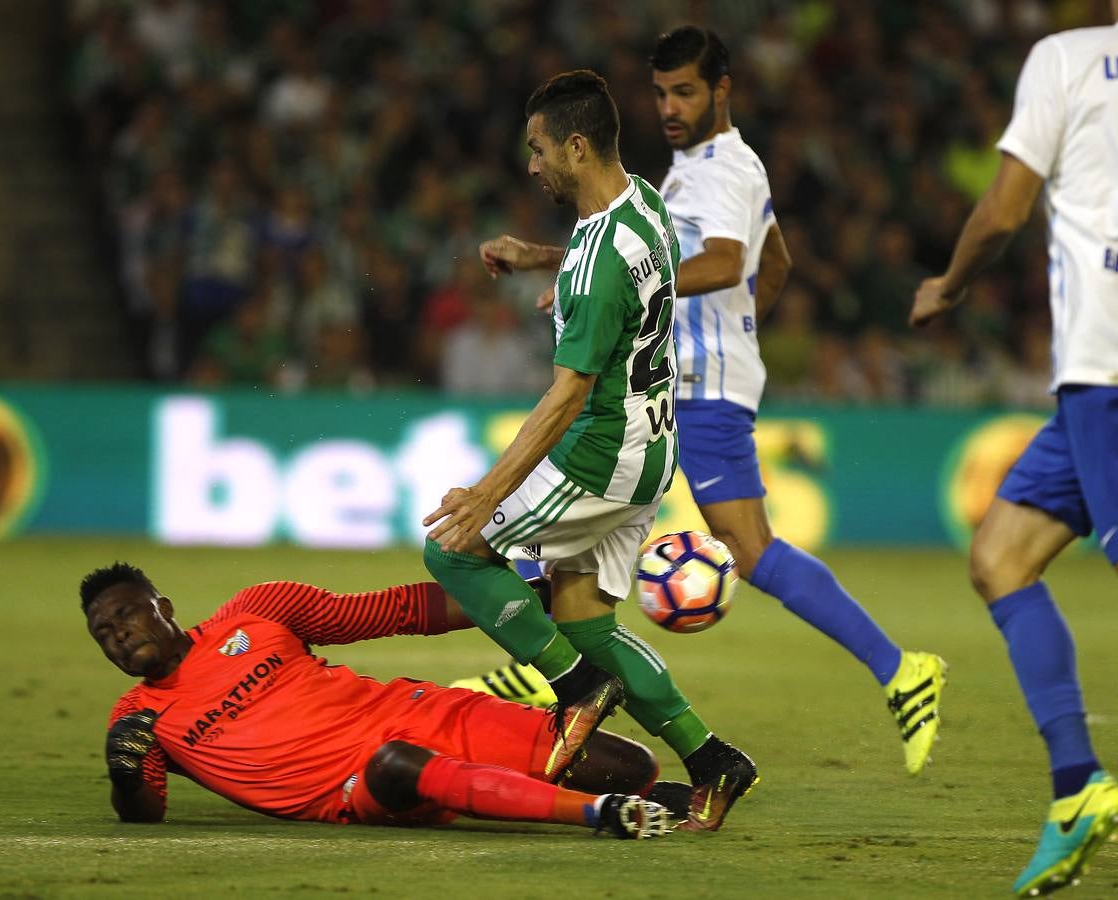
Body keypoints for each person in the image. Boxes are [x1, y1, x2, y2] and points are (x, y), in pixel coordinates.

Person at [468, 27, 947, 777]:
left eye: (685, 91)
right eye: (659, 92)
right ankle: (551, 661)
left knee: (745, 547)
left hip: (701, 385)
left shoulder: (722, 167)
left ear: (721, 91)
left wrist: (720, 339)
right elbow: (774, 258)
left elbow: (724, 262)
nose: (668, 106)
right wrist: (741, 329)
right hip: (693, 377)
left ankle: (900, 669)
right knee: (593, 517)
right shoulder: (704, 167)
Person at [421, 69, 757, 833]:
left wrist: (486, 492)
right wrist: (546, 261)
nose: (531, 164)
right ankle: (713, 763)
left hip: (602, 453)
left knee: (454, 550)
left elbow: (566, 393)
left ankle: (576, 693)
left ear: (576, 146)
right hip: (654, 444)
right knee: (584, 622)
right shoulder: (641, 203)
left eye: (538, 150)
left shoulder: (601, 258)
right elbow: (623, 269)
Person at [909, 8, 1118, 894]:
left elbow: (1004, 208)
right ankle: (1077, 788)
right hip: (1084, 383)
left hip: (1107, 361)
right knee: (999, 558)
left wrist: (949, 285)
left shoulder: (1064, 59)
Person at [81, 561, 685, 838]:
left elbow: (395, 611)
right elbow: (145, 813)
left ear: (162, 606)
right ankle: (598, 815)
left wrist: (534, 595)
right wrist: (125, 771)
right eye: (103, 633)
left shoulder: (257, 611)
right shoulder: (135, 720)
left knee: (634, 767)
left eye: (127, 615)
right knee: (399, 763)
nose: (119, 634)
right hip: (359, 786)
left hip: (422, 711)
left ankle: (630, 796)